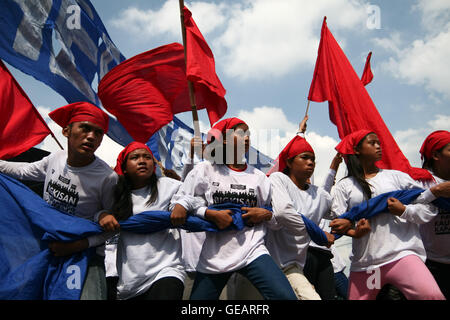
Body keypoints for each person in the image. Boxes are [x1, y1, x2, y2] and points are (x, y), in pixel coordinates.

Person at [0, 101, 118, 300]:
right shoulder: (55, 159)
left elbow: (113, 230)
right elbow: (22, 171)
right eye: (85, 128)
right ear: (66, 131)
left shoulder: (108, 178)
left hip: (86, 256)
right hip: (49, 248)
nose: (91, 136)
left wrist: (76, 246)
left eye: (98, 133)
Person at [171, 117, 297, 300]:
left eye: (248, 134)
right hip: (214, 256)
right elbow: (178, 204)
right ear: (224, 140)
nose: (247, 138)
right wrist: (209, 213)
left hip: (253, 250)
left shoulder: (260, 177)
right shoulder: (205, 170)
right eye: (240, 133)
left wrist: (266, 214)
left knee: (285, 297)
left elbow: (277, 221)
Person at [329, 130, 445, 300]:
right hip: (368, 266)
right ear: (357, 150)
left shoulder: (397, 177)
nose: (378, 146)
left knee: (430, 295)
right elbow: (338, 222)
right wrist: (354, 230)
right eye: (372, 143)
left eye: (379, 142)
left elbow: (428, 207)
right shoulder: (345, 186)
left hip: (402, 255)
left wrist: (404, 210)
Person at [97, 142, 187, 300]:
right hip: (129, 281)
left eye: (147, 157)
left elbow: (195, 195)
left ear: (154, 165)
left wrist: (182, 205)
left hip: (166, 271)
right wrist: (102, 215)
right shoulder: (115, 194)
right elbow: (94, 212)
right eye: (135, 157)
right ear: (124, 167)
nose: (142, 161)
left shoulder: (169, 186)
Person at [417, 130, 450, 299]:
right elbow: (409, 206)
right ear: (436, 155)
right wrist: (435, 192)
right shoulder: (422, 182)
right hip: (432, 265)